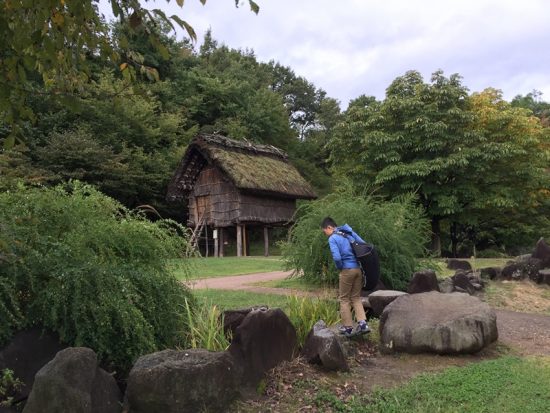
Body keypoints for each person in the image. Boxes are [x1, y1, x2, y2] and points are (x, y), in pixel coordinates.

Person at [321, 217, 370, 337]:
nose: (325, 234)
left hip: (347, 270)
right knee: (356, 298)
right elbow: (363, 243)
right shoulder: (347, 233)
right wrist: (351, 231)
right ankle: (363, 324)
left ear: (329, 227)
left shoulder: (333, 238)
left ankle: (348, 328)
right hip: (358, 269)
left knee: (344, 299)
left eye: (324, 231)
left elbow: (337, 257)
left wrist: (340, 267)